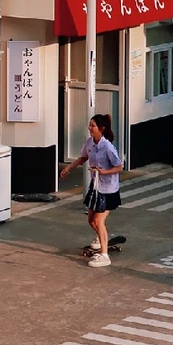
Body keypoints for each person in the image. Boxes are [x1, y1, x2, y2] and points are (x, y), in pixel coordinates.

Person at [59, 113, 123, 268]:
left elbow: (119, 167)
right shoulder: (90, 143)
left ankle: (104, 255)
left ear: (101, 128)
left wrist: (104, 172)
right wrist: (68, 168)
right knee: (91, 220)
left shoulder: (108, 147)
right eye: (90, 125)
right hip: (95, 187)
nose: (89, 128)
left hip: (108, 190)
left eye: (93, 126)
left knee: (98, 221)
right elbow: (83, 157)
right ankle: (101, 237)